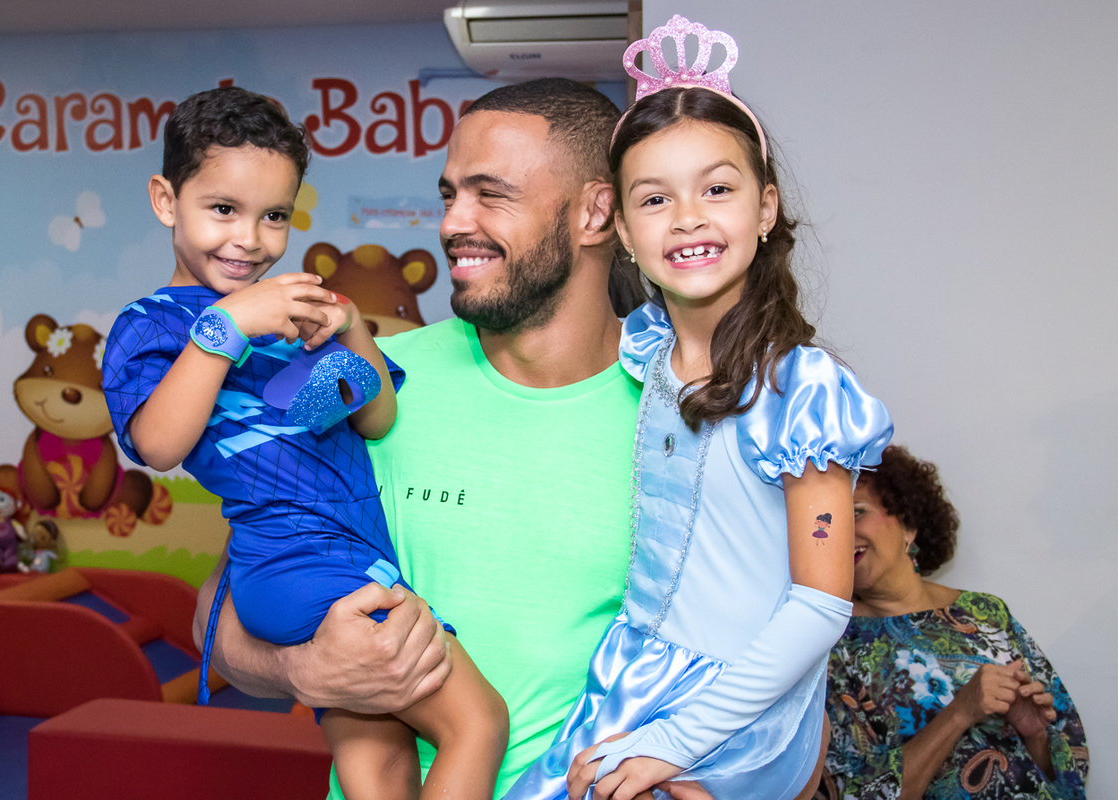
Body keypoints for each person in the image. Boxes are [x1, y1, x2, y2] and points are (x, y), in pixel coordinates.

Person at [192, 79, 727, 799]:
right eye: (449, 195)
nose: (452, 223)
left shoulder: (686, 416)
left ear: (596, 212)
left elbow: (757, 662)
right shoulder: (364, 384)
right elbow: (215, 607)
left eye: (490, 194)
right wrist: (300, 670)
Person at [504, 17, 894, 800]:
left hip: (739, 707)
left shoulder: (804, 390)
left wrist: (675, 741)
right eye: (656, 198)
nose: (688, 217)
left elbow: (821, 604)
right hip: (634, 676)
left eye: (718, 188)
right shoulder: (645, 355)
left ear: (766, 207)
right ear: (621, 228)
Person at [102, 86, 507, 800]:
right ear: (166, 201)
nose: (249, 239)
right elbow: (158, 445)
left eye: (274, 216)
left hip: (349, 554)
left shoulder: (289, 318)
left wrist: (349, 328)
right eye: (223, 209)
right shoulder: (153, 324)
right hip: (302, 564)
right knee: (478, 722)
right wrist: (229, 324)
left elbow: (376, 419)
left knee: (379, 766)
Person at [817, 445, 1089, 800]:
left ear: (908, 523)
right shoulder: (833, 646)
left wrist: (1034, 735)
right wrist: (960, 712)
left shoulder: (985, 612)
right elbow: (853, 791)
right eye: (827, 523)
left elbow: (1073, 764)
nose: (840, 534)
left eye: (856, 513)